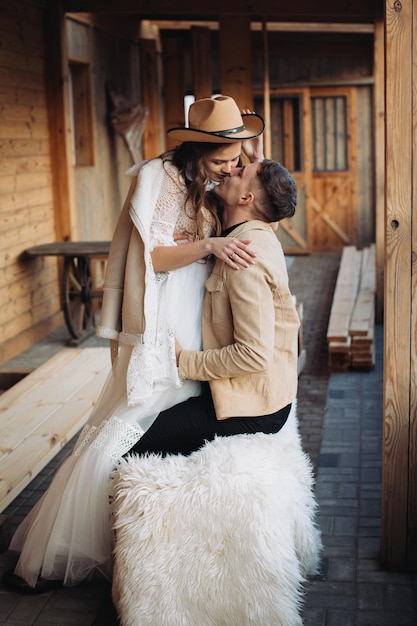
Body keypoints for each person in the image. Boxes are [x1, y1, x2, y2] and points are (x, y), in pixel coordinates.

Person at [3, 96, 265, 593]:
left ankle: (152, 538)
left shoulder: (213, 174)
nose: (230, 167)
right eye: (220, 160)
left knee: (170, 414)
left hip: (196, 309)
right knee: (134, 414)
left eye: (235, 157)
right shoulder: (158, 178)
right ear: (194, 149)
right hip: (166, 311)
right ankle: (66, 544)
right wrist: (210, 246)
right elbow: (154, 259)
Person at [128, 158, 300, 458]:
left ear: (246, 198)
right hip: (252, 392)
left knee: (130, 441)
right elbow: (269, 205)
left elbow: (254, 355)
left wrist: (183, 360)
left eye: (239, 170)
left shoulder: (245, 256)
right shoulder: (254, 229)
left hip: (254, 405)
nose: (229, 169)